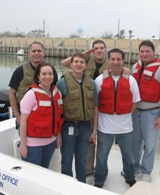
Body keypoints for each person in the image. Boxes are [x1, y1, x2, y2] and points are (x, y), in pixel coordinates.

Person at [94, 48, 141, 188]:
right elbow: (96, 104)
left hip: (125, 127)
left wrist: (125, 113)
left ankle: (129, 176)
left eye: (118, 59)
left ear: (123, 61)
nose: (115, 62)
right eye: (112, 59)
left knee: (128, 155)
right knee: (101, 157)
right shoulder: (99, 80)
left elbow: (135, 102)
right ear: (108, 60)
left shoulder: (131, 80)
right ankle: (100, 178)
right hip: (105, 127)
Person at [61, 39, 108, 176]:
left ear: (105, 50)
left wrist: (125, 69)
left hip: (100, 109)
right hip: (79, 112)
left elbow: (120, 69)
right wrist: (84, 54)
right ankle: (84, 173)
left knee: (95, 147)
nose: (99, 50)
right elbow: (65, 63)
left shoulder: (111, 63)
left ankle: (93, 172)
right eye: (96, 48)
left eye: (101, 48)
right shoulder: (86, 62)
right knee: (73, 155)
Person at [131, 40, 160, 182]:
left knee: (149, 145)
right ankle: (134, 167)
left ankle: (146, 171)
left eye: (147, 51)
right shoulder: (134, 67)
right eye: (142, 51)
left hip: (152, 112)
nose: (144, 54)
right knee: (134, 142)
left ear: (153, 52)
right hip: (135, 112)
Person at [56, 53, 98, 183]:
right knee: (66, 160)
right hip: (68, 127)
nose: (79, 64)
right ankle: (67, 186)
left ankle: (81, 185)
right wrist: (58, 133)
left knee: (82, 160)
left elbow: (95, 107)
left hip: (86, 127)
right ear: (71, 64)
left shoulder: (92, 83)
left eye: (82, 62)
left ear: (85, 65)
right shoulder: (61, 83)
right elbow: (57, 110)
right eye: (76, 62)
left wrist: (94, 131)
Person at [19, 62, 63, 168]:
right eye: (44, 74)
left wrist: (58, 136)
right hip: (33, 146)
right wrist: (23, 145)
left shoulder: (58, 93)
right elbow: (23, 121)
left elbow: (58, 117)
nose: (47, 77)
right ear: (38, 76)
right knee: (32, 174)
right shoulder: (31, 94)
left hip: (51, 142)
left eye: (50, 74)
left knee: (45, 170)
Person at [9, 41, 45, 132]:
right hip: (25, 118)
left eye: (39, 51)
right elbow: (12, 93)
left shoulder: (50, 71)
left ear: (43, 53)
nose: (36, 53)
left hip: (44, 117)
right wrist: (17, 116)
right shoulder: (20, 71)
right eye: (33, 51)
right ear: (29, 54)